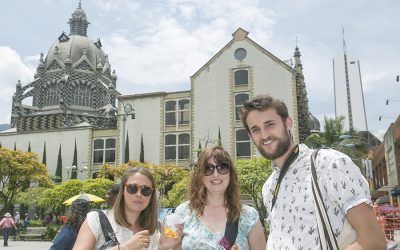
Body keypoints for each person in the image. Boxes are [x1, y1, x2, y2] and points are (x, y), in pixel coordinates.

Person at [240, 94, 386, 249]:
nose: (264, 135)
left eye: (270, 124)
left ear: (288, 122)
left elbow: (373, 241)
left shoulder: (328, 164)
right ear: (250, 136)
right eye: (256, 130)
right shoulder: (268, 187)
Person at [175, 146, 266, 249]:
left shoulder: (249, 217)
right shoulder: (183, 212)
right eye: (208, 168)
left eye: (222, 167)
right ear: (200, 175)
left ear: (231, 174)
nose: (216, 174)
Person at [73, 167, 181, 250]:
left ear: (151, 195)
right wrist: (125, 247)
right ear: (123, 191)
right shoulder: (96, 220)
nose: (139, 194)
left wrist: (163, 248)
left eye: (146, 190)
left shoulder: (153, 233)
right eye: (132, 188)